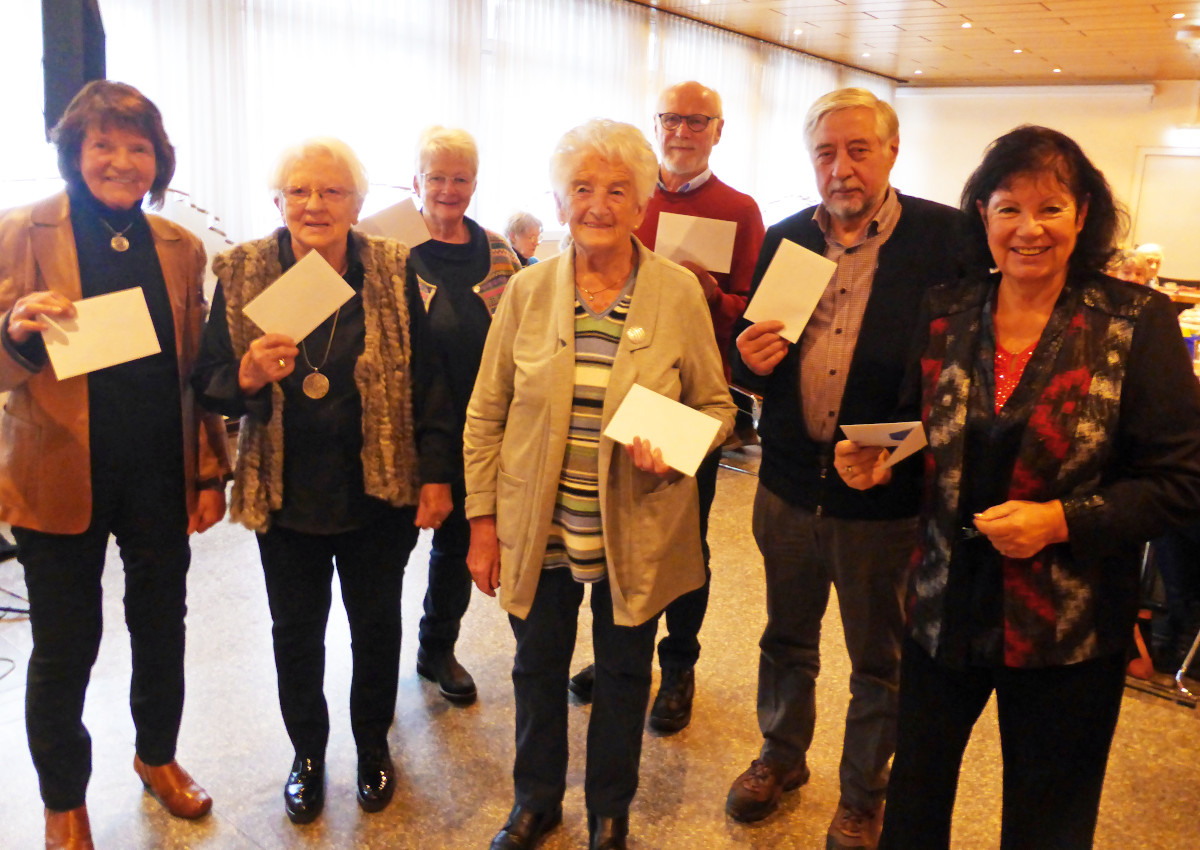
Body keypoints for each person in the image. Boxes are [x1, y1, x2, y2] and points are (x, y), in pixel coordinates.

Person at [836, 125, 1200, 849]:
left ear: (1083, 216)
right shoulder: (949, 311)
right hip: (942, 608)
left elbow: (1183, 482)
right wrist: (886, 462)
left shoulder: (1136, 323)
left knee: (1047, 818)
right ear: (983, 216)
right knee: (914, 802)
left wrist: (1061, 521)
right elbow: (932, 429)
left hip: (1066, 625)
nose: (1028, 229)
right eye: (1008, 208)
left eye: (1050, 209)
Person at [464, 119, 735, 850]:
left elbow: (718, 407)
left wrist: (676, 450)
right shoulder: (526, 291)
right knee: (537, 668)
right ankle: (536, 802)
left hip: (636, 523)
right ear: (560, 202)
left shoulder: (678, 292)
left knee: (622, 673)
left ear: (642, 203)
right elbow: (486, 409)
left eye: (618, 190)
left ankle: (611, 809)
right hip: (539, 522)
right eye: (582, 189)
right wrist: (482, 525)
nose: (599, 205)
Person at [191, 138, 455, 824]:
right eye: (300, 191)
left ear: (358, 205)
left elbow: (429, 381)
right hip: (285, 495)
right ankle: (307, 753)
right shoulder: (244, 270)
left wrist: (435, 475)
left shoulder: (393, 268)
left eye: (332, 192)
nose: (315, 204)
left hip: (379, 491)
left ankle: (372, 745)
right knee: (295, 632)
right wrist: (246, 376)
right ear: (278, 201)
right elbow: (209, 382)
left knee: (375, 627)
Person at [726, 88, 963, 850]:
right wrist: (748, 359)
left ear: (892, 152)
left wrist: (906, 446)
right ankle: (781, 755)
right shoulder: (789, 238)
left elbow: (965, 374)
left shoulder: (945, 239)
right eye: (826, 152)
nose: (842, 167)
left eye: (859, 149)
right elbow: (767, 353)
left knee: (878, 659)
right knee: (785, 637)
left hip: (882, 499)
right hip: (789, 485)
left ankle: (863, 794)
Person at [0, 80, 231, 850]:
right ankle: (63, 798)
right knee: (66, 644)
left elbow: (197, 374)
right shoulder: (18, 233)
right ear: (75, 152)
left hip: (158, 473)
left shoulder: (178, 247)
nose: (122, 161)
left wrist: (207, 473)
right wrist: (17, 336)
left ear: (157, 161)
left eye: (139, 148)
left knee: (162, 625)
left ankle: (156, 756)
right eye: (103, 144)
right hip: (58, 473)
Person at [567, 80, 765, 735]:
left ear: (718, 129)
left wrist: (711, 296)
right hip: (610, 407)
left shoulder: (740, 210)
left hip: (685, 408)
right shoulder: (629, 193)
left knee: (682, 543)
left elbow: (758, 319)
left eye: (696, 120)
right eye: (671, 118)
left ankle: (679, 665)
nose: (682, 130)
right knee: (611, 533)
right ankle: (622, 658)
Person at [409, 126, 523, 704]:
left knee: (455, 549)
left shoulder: (500, 251)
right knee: (381, 558)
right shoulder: (386, 246)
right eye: (437, 177)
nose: (448, 190)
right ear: (416, 181)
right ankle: (373, 670)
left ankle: (437, 649)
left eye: (461, 178)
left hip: (474, 435)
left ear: (475, 184)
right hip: (397, 435)